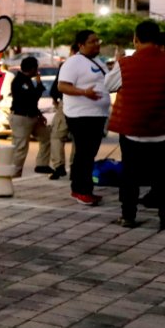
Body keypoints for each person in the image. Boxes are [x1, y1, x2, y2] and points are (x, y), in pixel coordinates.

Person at [106, 22, 165, 230]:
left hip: (132, 128)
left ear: (135, 39)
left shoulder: (125, 63)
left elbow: (108, 85)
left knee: (130, 175)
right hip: (161, 128)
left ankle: (128, 216)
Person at [57, 30, 110, 206]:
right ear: (81, 45)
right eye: (92, 41)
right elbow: (62, 86)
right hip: (81, 115)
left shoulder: (97, 61)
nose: (97, 44)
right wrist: (84, 93)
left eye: (98, 40)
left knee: (89, 153)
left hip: (97, 115)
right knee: (84, 153)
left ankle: (84, 188)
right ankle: (80, 190)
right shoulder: (73, 63)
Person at [9, 56, 52, 177]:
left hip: (32, 116)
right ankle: (14, 173)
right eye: (36, 68)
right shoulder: (19, 81)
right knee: (21, 147)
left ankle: (42, 164)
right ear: (32, 68)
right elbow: (30, 97)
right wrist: (39, 84)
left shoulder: (27, 81)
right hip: (22, 117)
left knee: (46, 137)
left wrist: (39, 114)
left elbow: (32, 102)